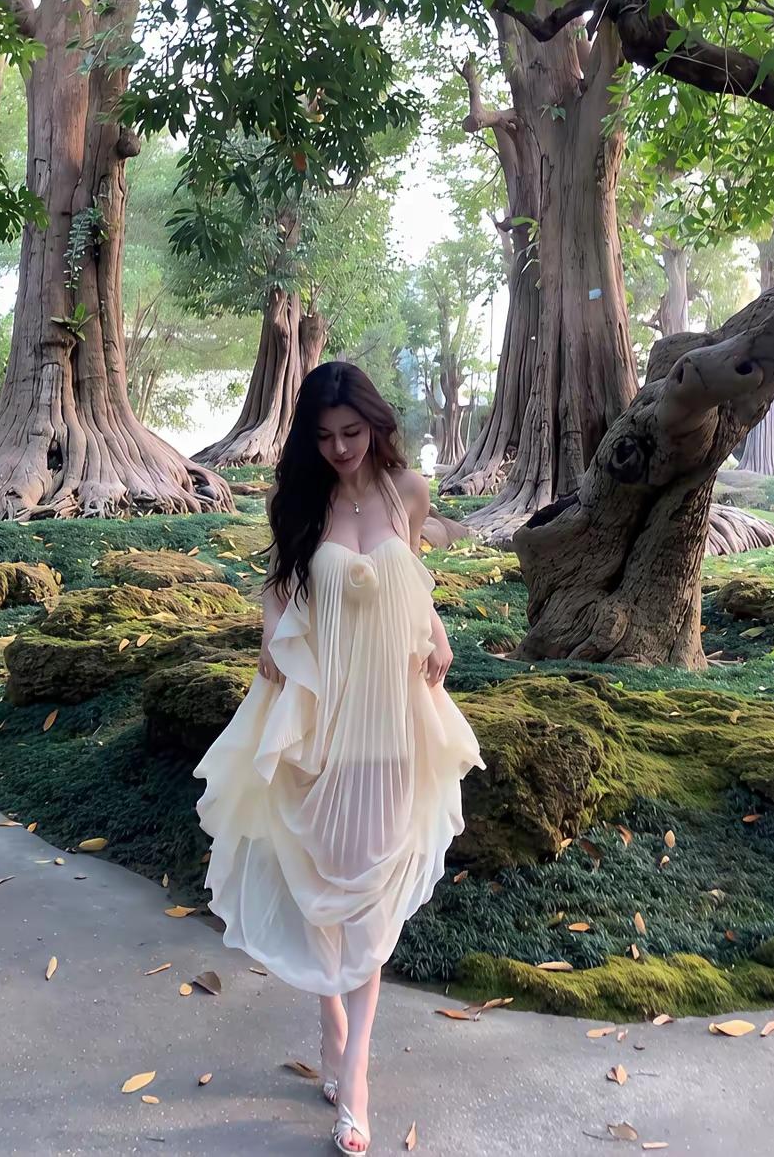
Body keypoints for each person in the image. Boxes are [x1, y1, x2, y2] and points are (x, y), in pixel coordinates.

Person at [195, 362, 484, 1154]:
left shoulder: (408, 492)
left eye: (351, 433)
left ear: (375, 426)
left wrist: (439, 636)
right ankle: (330, 1019)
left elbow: (412, 578)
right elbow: (280, 588)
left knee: (368, 895)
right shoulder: (302, 499)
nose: (339, 448)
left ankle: (355, 1075)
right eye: (324, 437)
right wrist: (269, 642)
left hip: (390, 718)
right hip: (320, 719)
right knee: (319, 879)